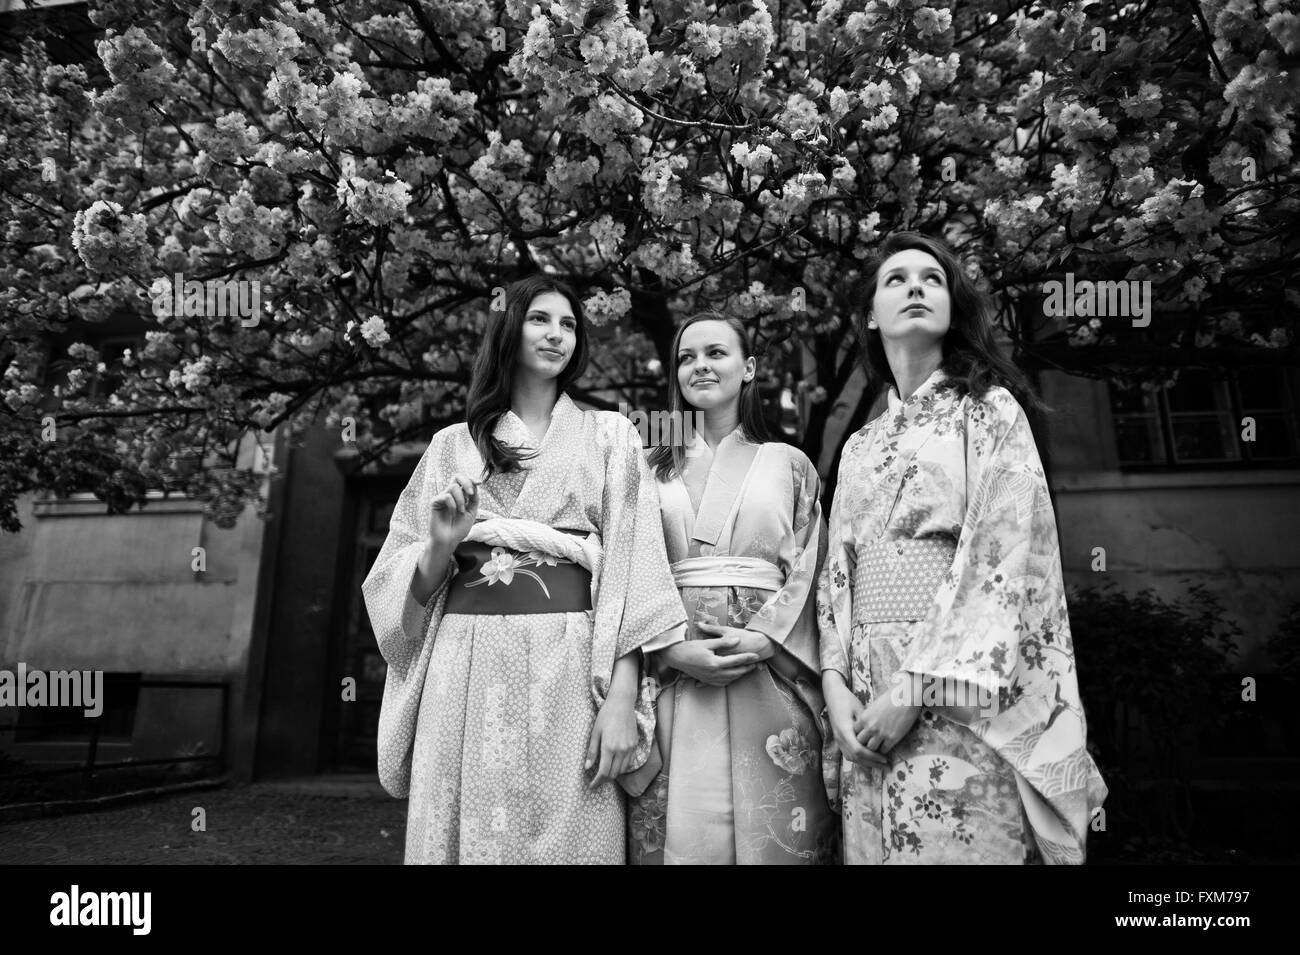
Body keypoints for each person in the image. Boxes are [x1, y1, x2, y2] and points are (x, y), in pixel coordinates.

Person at [362, 274, 686, 864]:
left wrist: (621, 698)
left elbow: (632, 573)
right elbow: (397, 602)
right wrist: (440, 547)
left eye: (568, 324)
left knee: (572, 826)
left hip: (572, 661)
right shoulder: (450, 447)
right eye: (540, 319)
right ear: (508, 328)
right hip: (463, 662)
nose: (556, 334)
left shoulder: (611, 436)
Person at [816, 232, 1107, 864]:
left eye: (932, 279)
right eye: (895, 280)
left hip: (956, 683)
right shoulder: (862, 444)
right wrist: (837, 687)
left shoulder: (991, 411)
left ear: (953, 307)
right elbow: (835, 575)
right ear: (870, 314)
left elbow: (1002, 553)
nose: (915, 287)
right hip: (867, 686)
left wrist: (914, 689)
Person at [628, 311, 837, 864]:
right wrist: (670, 647)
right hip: (676, 666)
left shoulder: (789, 463)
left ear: (748, 368)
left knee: (779, 827)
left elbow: (817, 565)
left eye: (716, 353)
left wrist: (768, 639)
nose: (699, 366)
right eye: (686, 358)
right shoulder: (648, 470)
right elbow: (628, 567)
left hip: (769, 668)